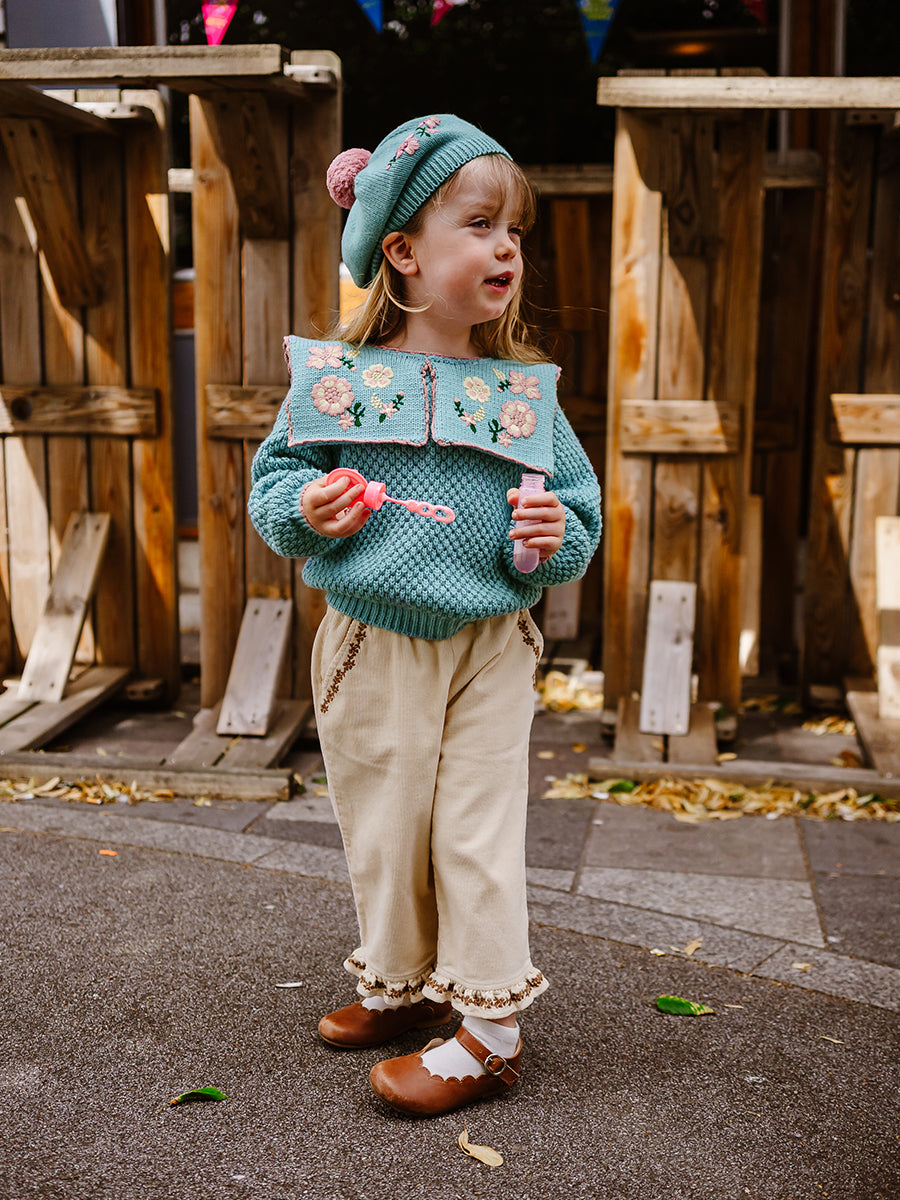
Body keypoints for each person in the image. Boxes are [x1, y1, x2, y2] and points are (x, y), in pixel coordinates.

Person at [248, 114, 602, 1117]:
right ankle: (402, 985)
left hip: (492, 642)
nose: (507, 248)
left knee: (474, 828)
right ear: (402, 251)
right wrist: (309, 509)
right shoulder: (336, 383)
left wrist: (553, 532)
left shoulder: (523, 394)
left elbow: (577, 515)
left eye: (514, 231)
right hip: (371, 641)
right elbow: (274, 492)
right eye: (480, 225)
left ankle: (490, 1033)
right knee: (386, 826)